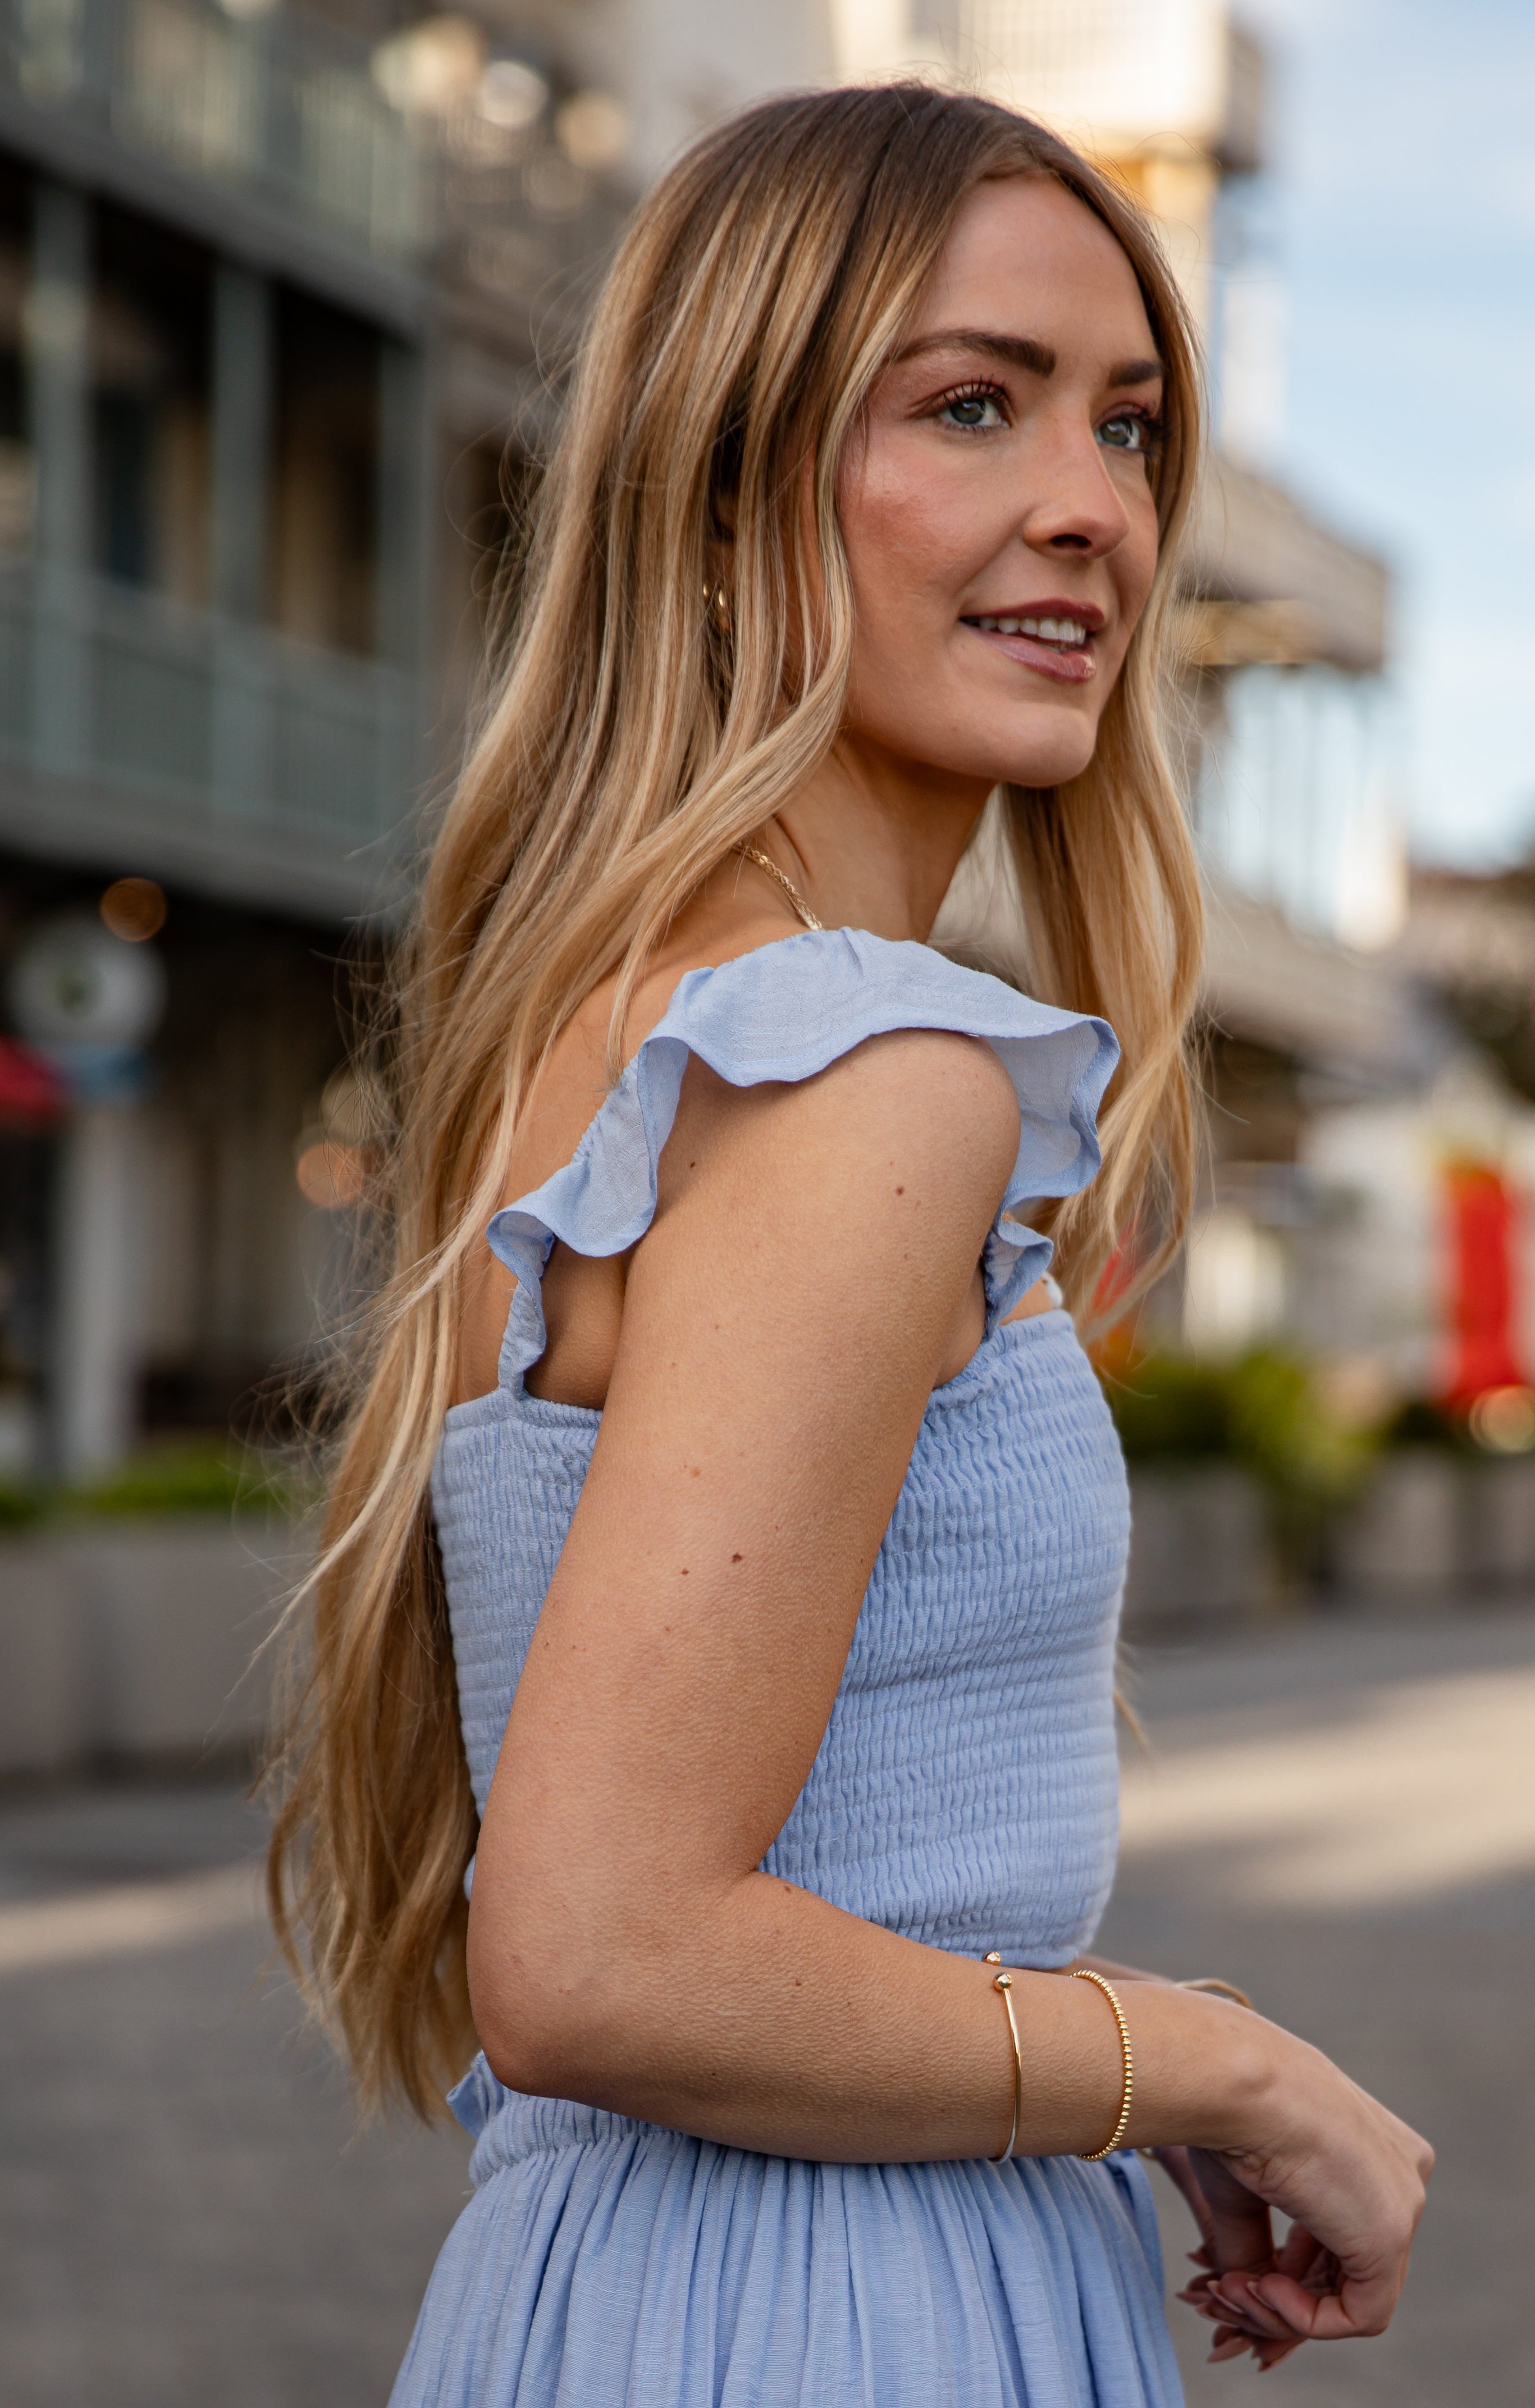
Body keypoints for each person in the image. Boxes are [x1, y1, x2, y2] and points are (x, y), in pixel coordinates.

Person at [268, 82, 1432, 2406]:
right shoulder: (858, 1072)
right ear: (717, 495)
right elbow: (600, 1954)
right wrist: (1212, 2064)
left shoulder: (621, 1033)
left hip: (641, 2275)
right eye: (969, 407)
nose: (1087, 505)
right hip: (832, 2307)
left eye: (1125, 425)